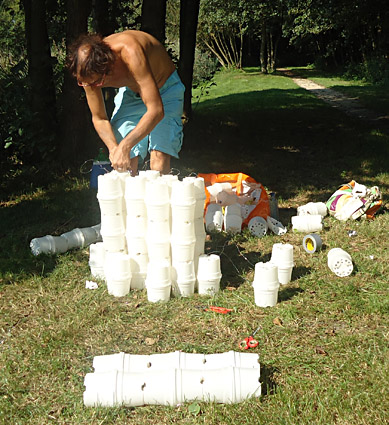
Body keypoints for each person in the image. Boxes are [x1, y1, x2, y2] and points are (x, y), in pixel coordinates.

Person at [67, 30, 185, 175]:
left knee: (158, 161)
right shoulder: (87, 74)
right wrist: (114, 149)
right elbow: (100, 118)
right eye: (85, 83)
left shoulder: (130, 52)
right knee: (126, 164)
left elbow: (156, 110)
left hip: (165, 90)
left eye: (98, 82)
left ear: (107, 67)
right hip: (131, 94)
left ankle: (159, 195)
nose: (93, 87)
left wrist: (125, 146)